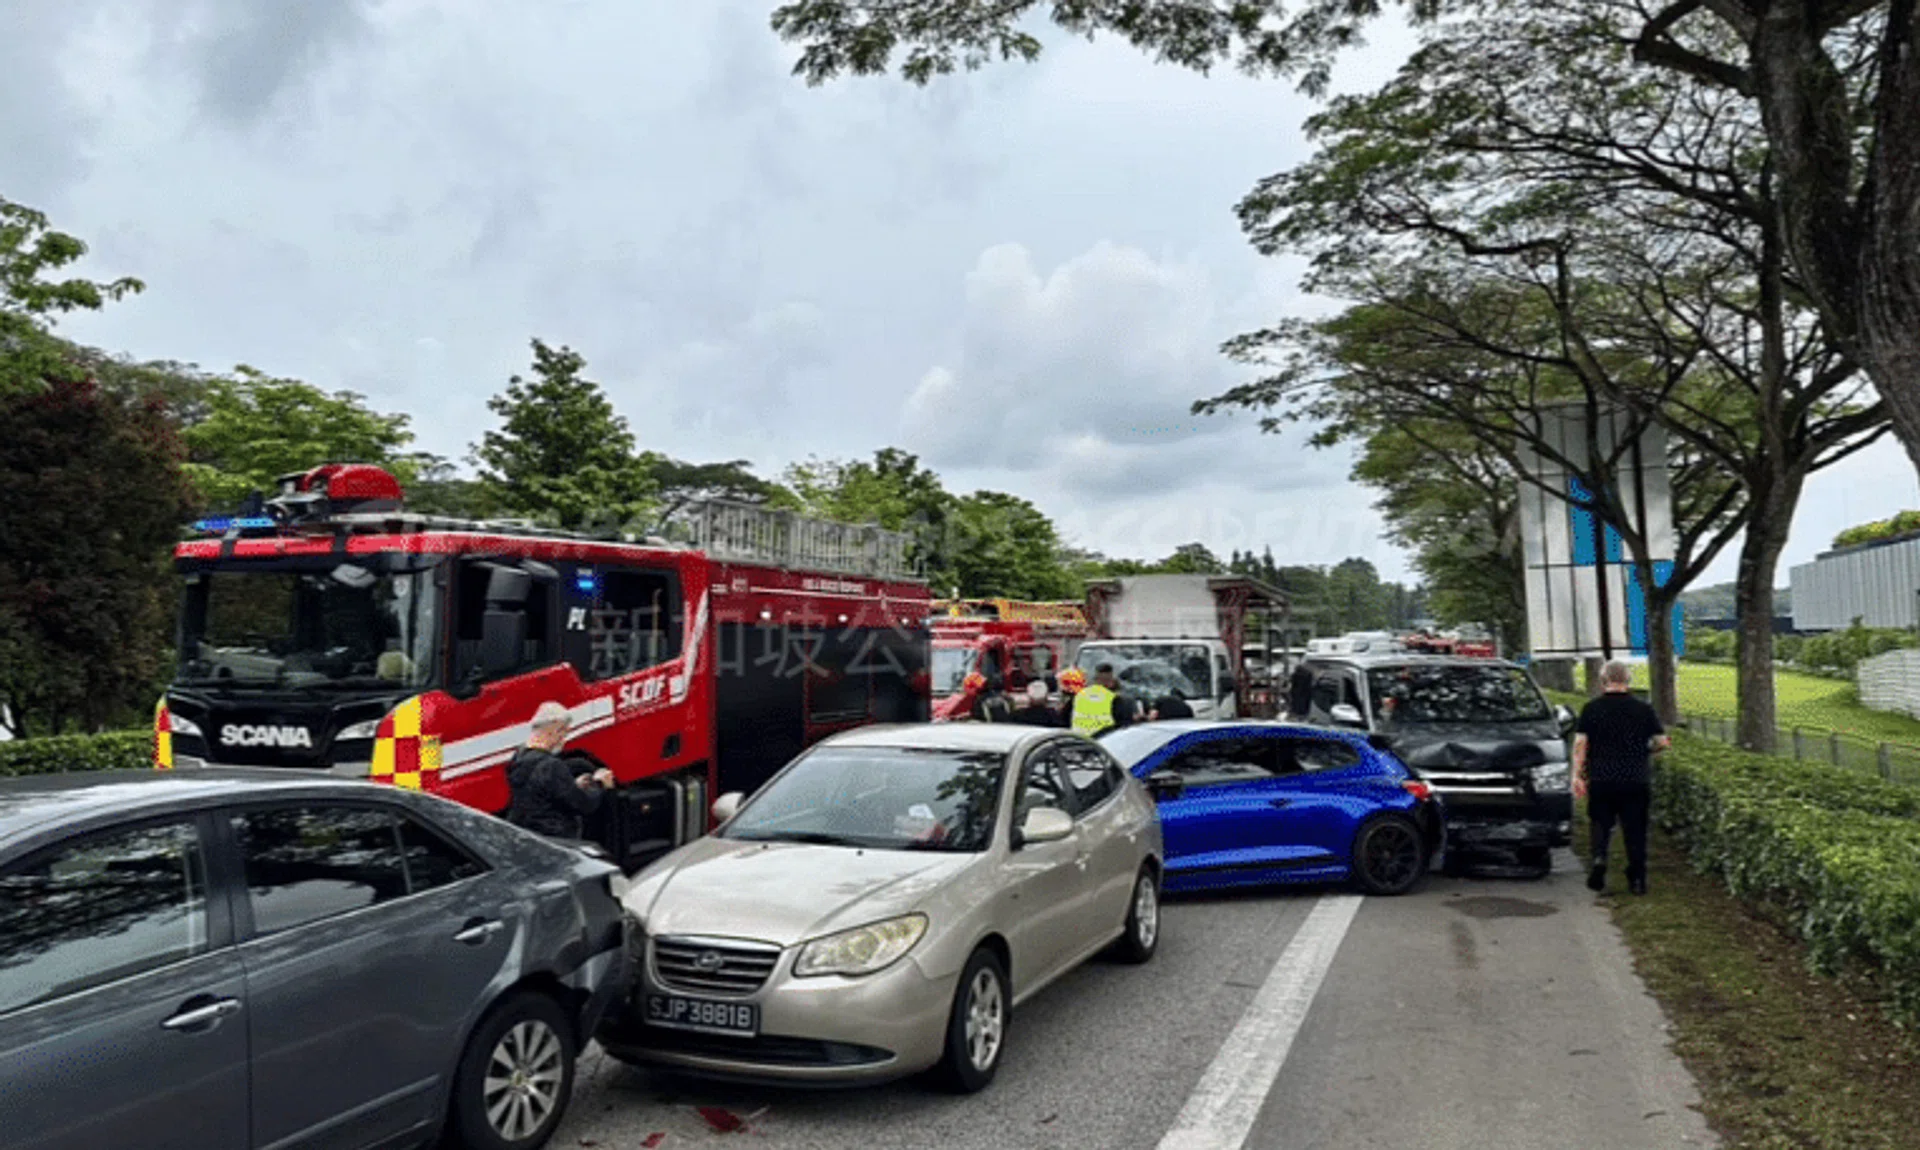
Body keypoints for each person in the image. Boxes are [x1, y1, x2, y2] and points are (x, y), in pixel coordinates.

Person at [1573, 661, 1670, 895]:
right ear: (1628, 680)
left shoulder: (1591, 709)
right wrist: (1648, 751)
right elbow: (1661, 742)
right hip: (1635, 778)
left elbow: (1580, 744)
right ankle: (1637, 879)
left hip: (1602, 777)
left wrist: (1578, 775)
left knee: (1600, 823)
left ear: (1603, 680)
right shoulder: (1643, 709)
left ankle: (1599, 859)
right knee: (1635, 829)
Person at [505, 701, 615, 840]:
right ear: (555, 729)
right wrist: (599, 783)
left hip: (530, 837)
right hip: (555, 839)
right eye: (564, 732)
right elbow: (583, 803)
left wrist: (574, 785)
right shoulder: (551, 766)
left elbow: (544, 792)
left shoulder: (518, 757)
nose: (563, 739)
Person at [1072, 663, 1138, 736]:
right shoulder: (1114, 699)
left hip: (1079, 742)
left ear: (1095, 679)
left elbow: (1064, 721)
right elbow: (1124, 727)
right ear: (1110, 681)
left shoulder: (1080, 695)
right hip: (1104, 742)